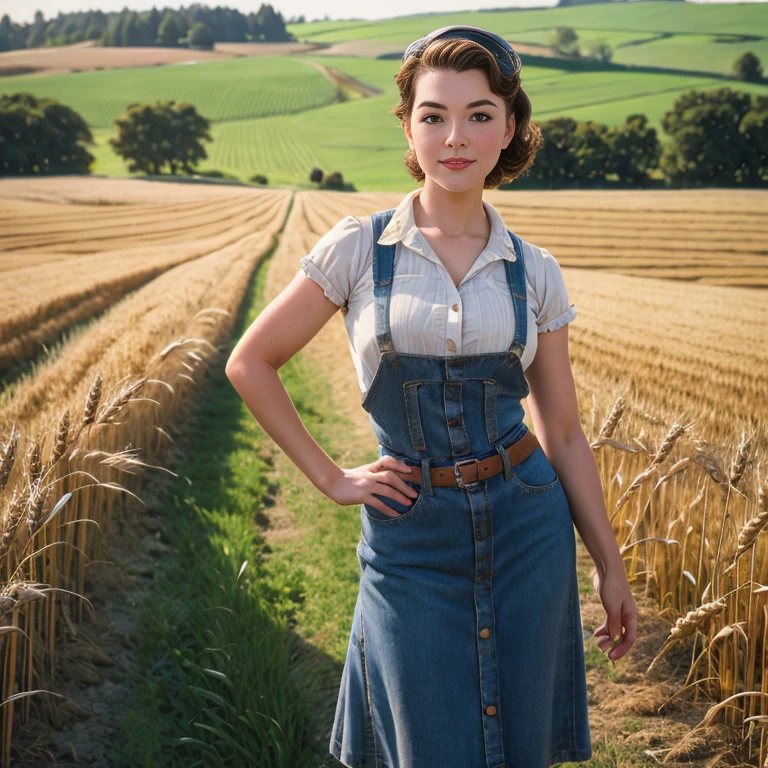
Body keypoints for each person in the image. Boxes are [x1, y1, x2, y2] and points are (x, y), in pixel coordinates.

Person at [225, 24, 638, 768]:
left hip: (527, 525)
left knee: (519, 744)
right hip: (409, 531)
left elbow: (566, 433)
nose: (456, 136)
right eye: (434, 115)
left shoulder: (534, 271)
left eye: (480, 114)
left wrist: (609, 564)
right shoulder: (357, 248)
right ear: (409, 127)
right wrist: (332, 478)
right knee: (428, 741)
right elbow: (250, 362)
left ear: (510, 128)